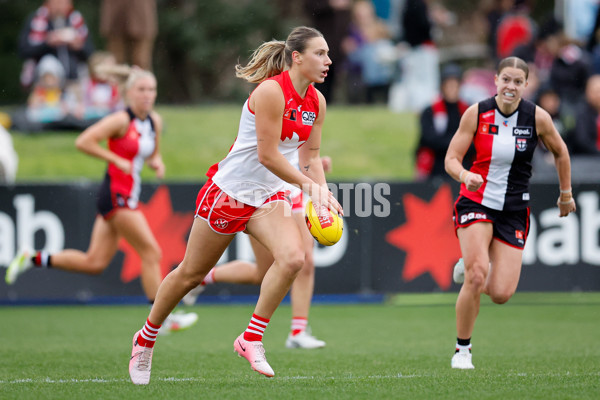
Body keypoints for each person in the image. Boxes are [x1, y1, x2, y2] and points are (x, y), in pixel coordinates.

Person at [127, 26, 342, 385]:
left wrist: (322, 193)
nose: (328, 60)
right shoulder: (272, 92)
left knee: (293, 258)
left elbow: (311, 156)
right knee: (189, 274)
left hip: (268, 197)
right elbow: (268, 155)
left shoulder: (316, 102)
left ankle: (251, 338)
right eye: (320, 53)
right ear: (297, 57)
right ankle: (145, 338)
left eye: (328, 53)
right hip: (230, 193)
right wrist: (307, 187)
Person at [5, 67, 198, 334]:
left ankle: (33, 257)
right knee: (151, 252)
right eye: (141, 90)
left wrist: (157, 162)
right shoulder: (120, 120)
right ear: (129, 93)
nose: (147, 95)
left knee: (94, 263)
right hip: (116, 195)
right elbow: (83, 141)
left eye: (151, 90)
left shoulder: (154, 121)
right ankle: (162, 319)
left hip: (127, 195)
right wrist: (115, 158)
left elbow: (152, 152)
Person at [445, 56, 576, 370]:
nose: (511, 86)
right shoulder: (476, 113)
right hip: (475, 200)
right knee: (477, 276)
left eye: (518, 81)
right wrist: (465, 176)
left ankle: (471, 268)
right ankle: (462, 350)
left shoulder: (537, 117)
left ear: (526, 85)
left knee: (501, 293)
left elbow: (561, 151)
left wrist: (565, 194)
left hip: (514, 208)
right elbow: (451, 158)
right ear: (495, 80)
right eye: (506, 79)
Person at [182, 156, 333, 350]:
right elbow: (264, 153)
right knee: (262, 274)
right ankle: (204, 277)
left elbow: (297, 148)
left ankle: (298, 331)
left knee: (305, 260)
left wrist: (312, 162)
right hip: (265, 192)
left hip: (294, 191)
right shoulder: (265, 125)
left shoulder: (305, 125)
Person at [18, 0, 94, 88]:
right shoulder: (36, 20)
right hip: (45, 84)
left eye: (63, 2)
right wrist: (47, 43)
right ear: (47, 3)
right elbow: (23, 50)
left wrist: (78, 46)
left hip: (73, 82)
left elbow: (90, 53)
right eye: (56, 2)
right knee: (48, 63)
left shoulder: (77, 21)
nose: (59, 6)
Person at [414, 63, 469, 181]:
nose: (452, 89)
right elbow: (429, 139)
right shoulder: (430, 111)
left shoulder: (468, 111)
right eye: (448, 85)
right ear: (442, 87)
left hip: (462, 163)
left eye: (455, 85)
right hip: (435, 164)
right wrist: (457, 144)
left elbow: (474, 143)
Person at [99, 0, 158, 70]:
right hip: (115, 13)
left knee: (141, 62)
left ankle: (142, 80)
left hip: (141, 11)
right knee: (115, 63)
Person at [570, 75, 600, 155]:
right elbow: (582, 141)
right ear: (587, 92)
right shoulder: (581, 112)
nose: (598, 95)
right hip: (587, 159)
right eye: (596, 91)